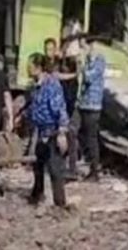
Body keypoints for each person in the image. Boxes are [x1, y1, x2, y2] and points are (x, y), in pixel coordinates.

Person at [28, 53, 69, 207]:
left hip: (53, 130)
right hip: (41, 130)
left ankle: (60, 204)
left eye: (30, 65)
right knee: (38, 165)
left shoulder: (52, 85)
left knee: (55, 169)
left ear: (38, 67)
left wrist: (62, 132)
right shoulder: (36, 86)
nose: (28, 68)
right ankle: (37, 196)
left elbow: (60, 108)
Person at [44, 37, 80, 179]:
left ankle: (71, 168)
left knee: (69, 135)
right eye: (47, 49)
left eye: (52, 49)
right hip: (53, 104)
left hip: (66, 104)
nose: (49, 52)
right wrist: (73, 75)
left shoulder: (62, 61)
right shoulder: (46, 63)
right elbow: (55, 75)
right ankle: (54, 165)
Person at [77, 37, 106, 181]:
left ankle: (95, 170)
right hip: (84, 104)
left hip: (93, 106)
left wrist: (82, 65)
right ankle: (86, 162)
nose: (82, 50)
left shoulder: (99, 61)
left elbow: (88, 78)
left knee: (92, 138)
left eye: (84, 46)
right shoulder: (89, 61)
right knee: (80, 134)